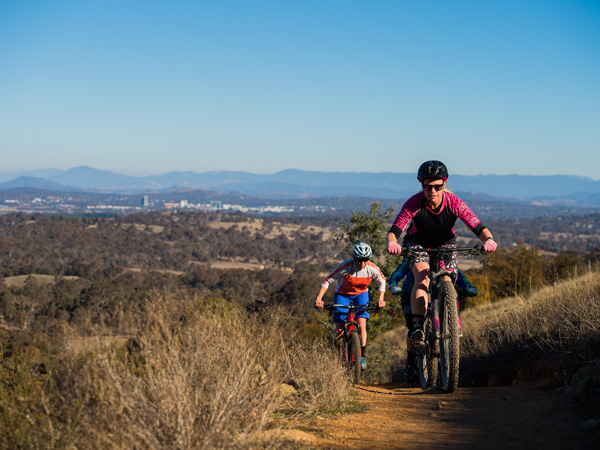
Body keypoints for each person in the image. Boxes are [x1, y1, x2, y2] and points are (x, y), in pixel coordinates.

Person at [386, 160, 497, 349]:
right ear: (421, 185)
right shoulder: (414, 202)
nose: (432, 191)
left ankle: (451, 318)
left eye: (437, 186)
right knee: (423, 276)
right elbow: (395, 230)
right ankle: (418, 328)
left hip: (446, 244)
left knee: (448, 277)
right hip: (417, 243)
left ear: (444, 184)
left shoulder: (454, 202)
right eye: (427, 186)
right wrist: (392, 243)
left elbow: (477, 226)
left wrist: (489, 240)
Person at [388, 260, 478, 382]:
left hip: (435, 294)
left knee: (442, 323)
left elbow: (457, 275)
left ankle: (441, 360)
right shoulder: (416, 258)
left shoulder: (442, 261)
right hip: (409, 294)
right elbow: (397, 273)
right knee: (413, 328)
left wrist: (468, 286)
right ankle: (410, 363)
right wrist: (393, 285)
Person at [315, 242, 386, 369]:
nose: (362, 263)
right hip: (342, 295)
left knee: (362, 325)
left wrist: (381, 298)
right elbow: (328, 280)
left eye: (365, 260)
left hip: (361, 295)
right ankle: (338, 355)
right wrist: (319, 298)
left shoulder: (371, 268)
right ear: (354, 258)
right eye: (359, 260)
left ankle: (362, 357)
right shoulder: (346, 266)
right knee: (339, 329)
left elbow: (382, 280)